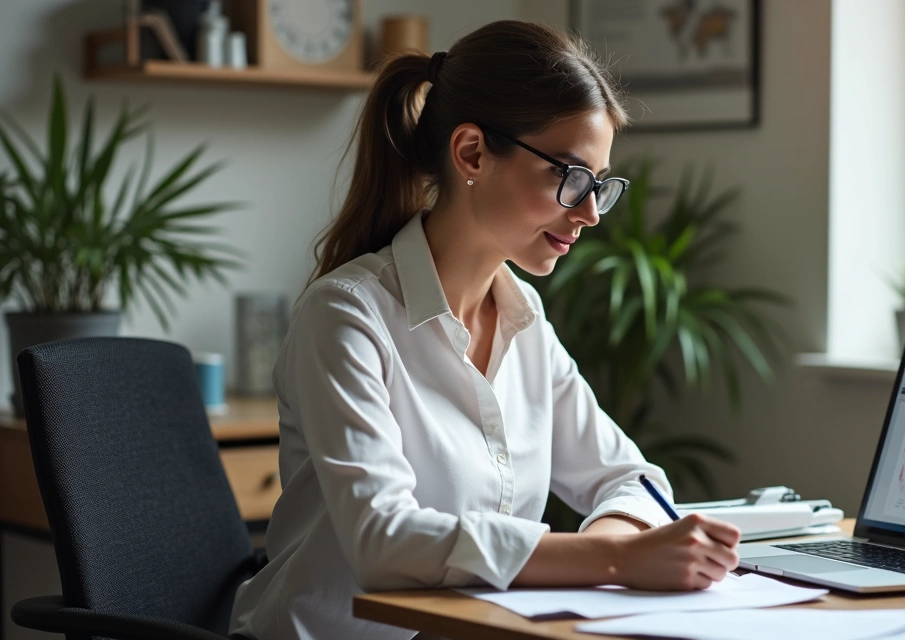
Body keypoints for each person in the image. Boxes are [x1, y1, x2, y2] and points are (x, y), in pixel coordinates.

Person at [227, 19, 741, 640]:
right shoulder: (345, 317)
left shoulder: (524, 319)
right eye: (571, 177)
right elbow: (382, 541)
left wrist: (613, 550)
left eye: (600, 186)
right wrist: (616, 559)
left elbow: (632, 480)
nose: (589, 213)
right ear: (471, 152)